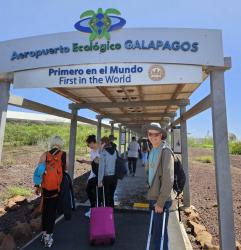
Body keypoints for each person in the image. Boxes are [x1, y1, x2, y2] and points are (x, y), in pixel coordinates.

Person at [35, 135, 68, 248]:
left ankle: (44, 234)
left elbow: (38, 170)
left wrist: (37, 185)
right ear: (60, 144)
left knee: (45, 211)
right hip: (56, 189)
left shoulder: (45, 154)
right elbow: (66, 168)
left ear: (52, 143)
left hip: (45, 189)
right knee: (52, 213)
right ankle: (49, 237)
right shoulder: (63, 154)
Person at [145, 124, 174, 250]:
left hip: (160, 199)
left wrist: (161, 203)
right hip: (153, 196)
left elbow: (168, 179)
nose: (152, 137)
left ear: (161, 135)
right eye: (150, 134)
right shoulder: (152, 150)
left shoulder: (166, 152)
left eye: (156, 134)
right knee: (155, 232)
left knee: (160, 234)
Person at [76, 135, 100, 217]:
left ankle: (94, 210)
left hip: (99, 174)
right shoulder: (92, 151)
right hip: (93, 173)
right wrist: (84, 161)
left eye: (88, 144)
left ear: (93, 142)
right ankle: (94, 209)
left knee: (91, 190)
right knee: (91, 191)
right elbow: (93, 162)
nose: (88, 146)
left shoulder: (100, 150)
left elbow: (100, 163)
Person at [98, 136, 117, 207]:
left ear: (104, 143)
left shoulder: (103, 153)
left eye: (101, 143)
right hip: (114, 177)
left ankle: (107, 214)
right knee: (111, 196)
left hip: (106, 177)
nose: (100, 145)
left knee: (105, 196)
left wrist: (99, 180)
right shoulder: (115, 151)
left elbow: (101, 168)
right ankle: (111, 212)